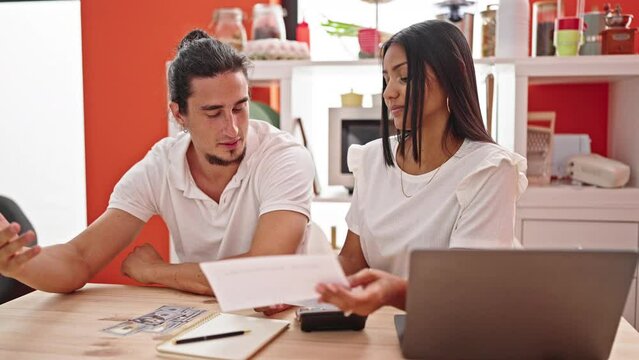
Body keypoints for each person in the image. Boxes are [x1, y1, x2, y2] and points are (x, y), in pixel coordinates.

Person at [0, 30, 315, 297]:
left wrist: (156, 271)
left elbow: (267, 273)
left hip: (282, 317)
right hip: (199, 322)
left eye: (240, 107)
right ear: (179, 114)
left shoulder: (284, 157)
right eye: (213, 112)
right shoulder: (161, 166)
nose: (232, 128)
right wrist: (20, 263)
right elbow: (78, 259)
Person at [316, 20, 527, 315]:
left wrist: (391, 292)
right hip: (378, 331)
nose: (389, 92)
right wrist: (305, 289)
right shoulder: (373, 158)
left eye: (404, 77)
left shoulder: (489, 169)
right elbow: (352, 261)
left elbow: (465, 287)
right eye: (386, 79)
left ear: (451, 76)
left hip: (453, 333)